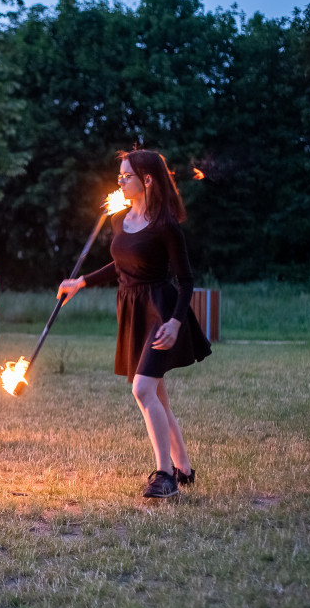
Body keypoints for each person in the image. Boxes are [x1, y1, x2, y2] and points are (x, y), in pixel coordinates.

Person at [58, 150, 211, 499]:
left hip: (160, 311)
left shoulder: (165, 225)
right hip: (131, 309)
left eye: (126, 176)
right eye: (120, 177)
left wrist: (174, 323)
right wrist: (81, 282)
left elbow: (186, 280)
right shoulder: (120, 220)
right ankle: (184, 469)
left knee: (142, 390)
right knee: (158, 396)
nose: (121, 182)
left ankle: (165, 475)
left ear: (147, 180)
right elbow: (120, 264)